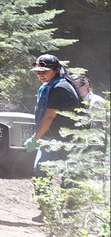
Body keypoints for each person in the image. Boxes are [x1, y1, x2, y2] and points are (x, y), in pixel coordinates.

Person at [24, 54, 82, 213]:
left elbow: (50, 116)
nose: (40, 74)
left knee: (62, 175)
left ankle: (64, 213)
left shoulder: (59, 87)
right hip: (54, 138)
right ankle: (48, 211)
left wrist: (35, 138)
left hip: (67, 140)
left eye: (44, 70)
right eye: (37, 71)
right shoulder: (51, 85)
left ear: (56, 70)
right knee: (42, 171)